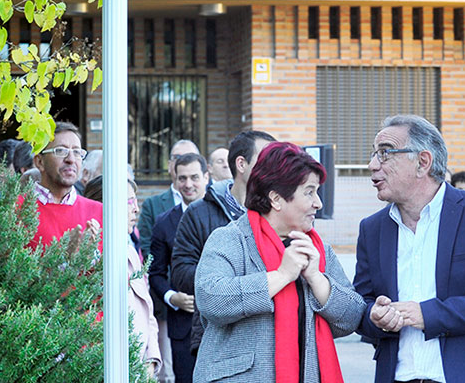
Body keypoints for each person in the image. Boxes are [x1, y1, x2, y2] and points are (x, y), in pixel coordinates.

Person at [354, 115, 465, 383]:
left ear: (423, 162)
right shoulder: (372, 229)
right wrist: (374, 316)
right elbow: (361, 306)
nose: (372, 165)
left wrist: (429, 314)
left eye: (385, 153)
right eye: (374, 154)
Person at [194, 142, 364, 383]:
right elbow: (211, 299)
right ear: (276, 198)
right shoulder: (230, 239)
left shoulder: (318, 250)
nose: (319, 203)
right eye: (309, 192)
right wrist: (282, 275)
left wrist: (317, 279)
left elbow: (352, 317)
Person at [171, 130, 276, 355]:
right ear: (242, 164)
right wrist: (227, 278)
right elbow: (180, 272)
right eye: (266, 158)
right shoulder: (199, 212)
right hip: (216, 333)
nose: (274, 165)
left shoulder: (278, 211)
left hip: (269, 334)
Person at [148, 153, 209, 383]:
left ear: (206, 176)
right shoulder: (164, 222)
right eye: (182, 178)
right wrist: (172, 298)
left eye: (194, 177)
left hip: (222, 323)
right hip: (184, 325)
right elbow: (155, 273)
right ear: (175, 180)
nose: (188, 184)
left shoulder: (224, 215)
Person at [19, 121, 102, 250]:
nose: (71, 159)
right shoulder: (15, 209)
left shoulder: (99, 212)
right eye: (61, 151)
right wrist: (65, 259)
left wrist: (90, 256)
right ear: (39, 162)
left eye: (76, 152)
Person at [138, 140, 201, 258]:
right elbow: (145, 247)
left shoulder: (215, 204)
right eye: (177, 157)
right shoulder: (152, 205)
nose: (184, 161)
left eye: (190, 157)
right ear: (169, 165)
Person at [126, 177, 163, 379]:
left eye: (136, 201)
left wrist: (151, 359)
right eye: (129, 202)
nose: (136, 209)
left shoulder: (132, 253)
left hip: (141, 366)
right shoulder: (91, 256)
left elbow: (148, 311)